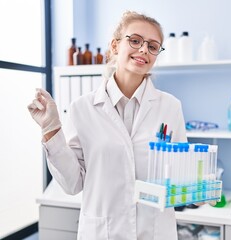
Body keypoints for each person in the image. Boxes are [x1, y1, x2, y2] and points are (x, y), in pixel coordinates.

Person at [28, 11, 188, 240]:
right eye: (135, 41)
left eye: (153, 46)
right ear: (115, 46)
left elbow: (180, 176)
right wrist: (51, 129)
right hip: (103, 233)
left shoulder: (170, 107)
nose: (144, 49)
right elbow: (73, 184)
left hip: (155, 232)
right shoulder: (82, 108)